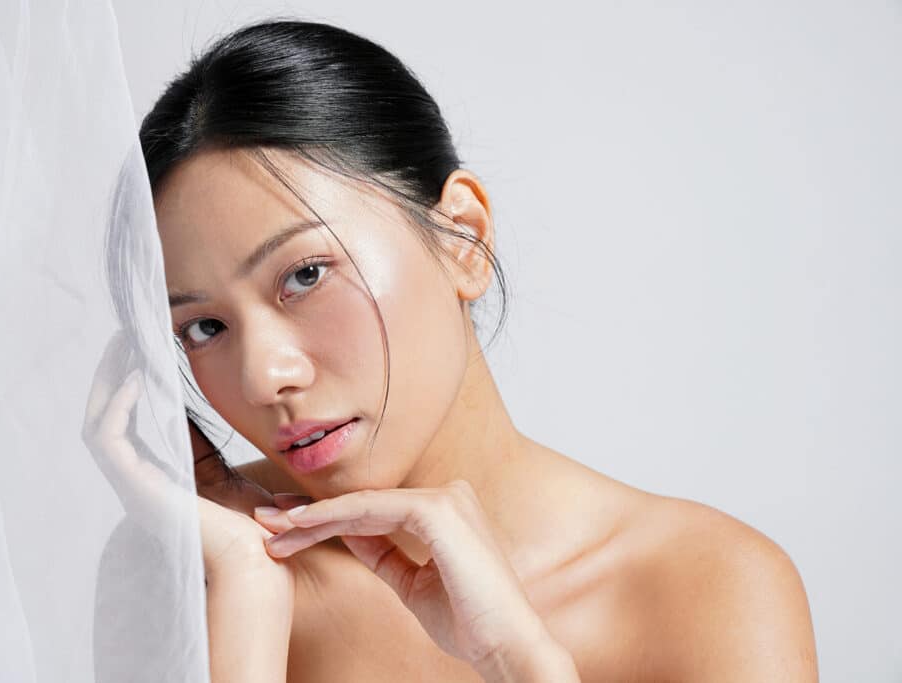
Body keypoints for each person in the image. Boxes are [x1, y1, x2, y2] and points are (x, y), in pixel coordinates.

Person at [94, 18, 818, 682]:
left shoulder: (710, 589)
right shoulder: (187, 566)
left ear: (463, 239)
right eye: (203, 327)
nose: (262, 377)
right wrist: (246, 589)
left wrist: (521, 662)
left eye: (306, 275)